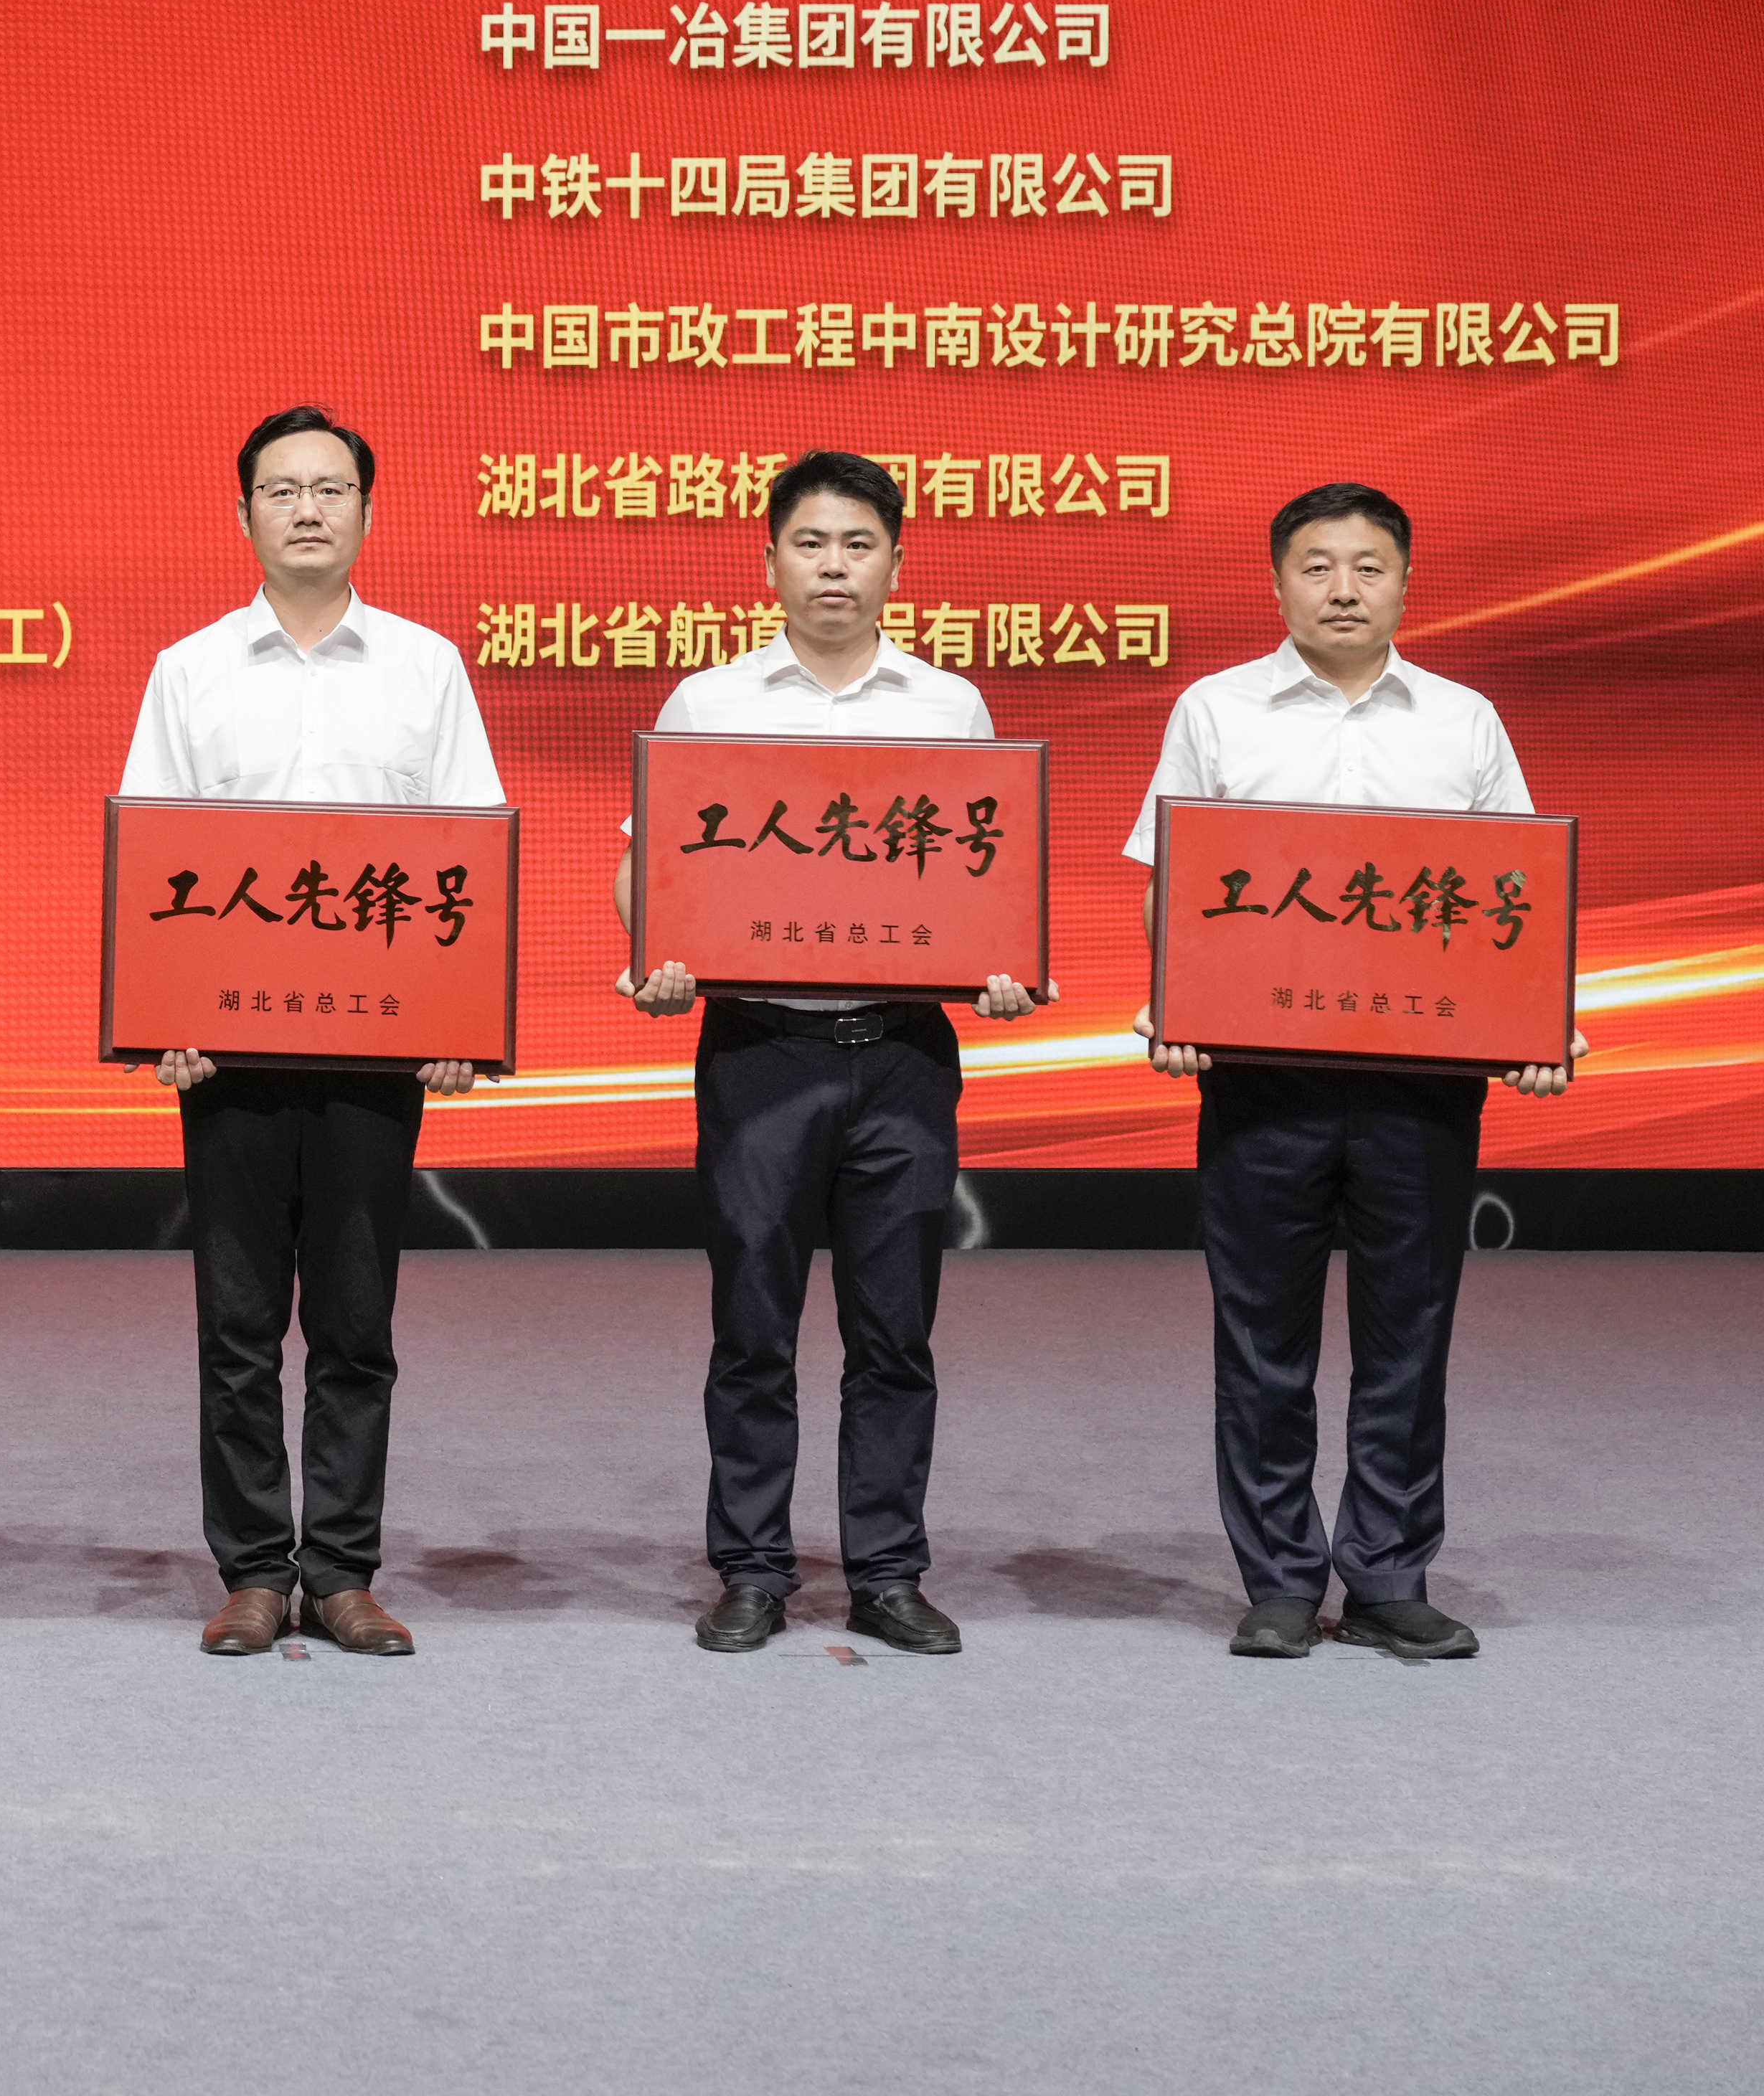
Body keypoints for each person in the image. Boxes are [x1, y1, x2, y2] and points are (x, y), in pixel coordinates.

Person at [1133, 483, 1583, 1663]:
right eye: (1318, 566)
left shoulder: (1463, 720)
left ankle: (1387, 1574)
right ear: (1279, 581)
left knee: (1408, 1339)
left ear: (1405, 581)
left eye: (1369, 566)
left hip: (1419, 1086)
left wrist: (1541, 1024)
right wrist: (1177, 1005)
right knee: (1261, 1341)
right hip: (1260, 1081)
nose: (1343, 588)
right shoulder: (1216, 708)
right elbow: (1173, 879)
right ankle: (1281, 1578)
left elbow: (1515, 895)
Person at [619, 452, 1044, 1658]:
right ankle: (754, 1570)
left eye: (859, 545)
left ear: (897, 564)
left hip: (902, 1052)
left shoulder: (947, 706)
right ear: (770, 563)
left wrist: (1003, 966)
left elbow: (982, 876)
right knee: (752, 1328)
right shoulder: (710, 702)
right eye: (810, 544)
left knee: (894, 1333)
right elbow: (649, 865)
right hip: (760, 1048)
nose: (834, 568)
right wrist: (656, 955)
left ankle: (888, 1574)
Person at [121, 406, 504, 1659]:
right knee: (236, 1330)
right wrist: (162, 1024)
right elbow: (155, 855)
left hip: (375, 1053)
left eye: (330, 489)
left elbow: (468, 850)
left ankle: (340, 1571)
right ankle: (251, 1571)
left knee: (353, 1325)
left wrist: (457, 1023)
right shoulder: (190, 670)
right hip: (229, 1057)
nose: (306, 509)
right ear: (243, 516)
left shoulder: (425, 668)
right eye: (281, 490)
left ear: (366, 514)